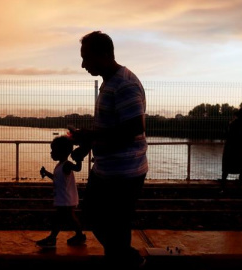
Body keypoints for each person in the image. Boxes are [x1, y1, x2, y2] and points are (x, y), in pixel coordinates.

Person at [69, 31, 148, 269]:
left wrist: (91, 136)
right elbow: (111, 127)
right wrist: (87, 146)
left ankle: (128, 262)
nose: (83, 65)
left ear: (104, 55)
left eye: (86, 58)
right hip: (107, 169)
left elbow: (134, 127)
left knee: (114, 225)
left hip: (125, 173)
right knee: (95, 217)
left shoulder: (125, 84)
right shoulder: (110, 83)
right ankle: (124, 260)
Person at [35, 135, 86, 248]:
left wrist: (79, 158)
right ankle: (79, 235)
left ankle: (53, 238)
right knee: (69, 218)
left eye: (53, 150)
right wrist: (47, 173)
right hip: (63, 198)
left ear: (62, 152)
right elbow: (57, 178)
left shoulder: (66, 165)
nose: (51, 153)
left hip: (66, 199)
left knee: (60, 218)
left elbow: (78, 168)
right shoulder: (60, 165)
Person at [220, 106, 242, 190]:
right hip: (238, 150)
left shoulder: (234, 124)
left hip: (232, 150)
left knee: (228, 168)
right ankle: (238, 186)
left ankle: (224, 186)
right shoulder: (241, 125)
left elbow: (227, 135)